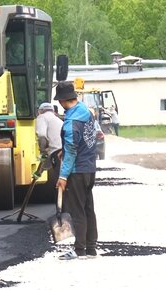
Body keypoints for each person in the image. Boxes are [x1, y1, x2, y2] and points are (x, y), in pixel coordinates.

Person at [54, 81, 98, 260]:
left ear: (63, 101)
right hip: (90, 168)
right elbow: (85, 140)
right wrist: (63, 150)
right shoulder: (86, 112)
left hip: (77, 171)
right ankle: (91, 248)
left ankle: (79, 250)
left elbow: (71, 151)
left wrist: (63, 176)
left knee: (76, 210)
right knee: (88, 208)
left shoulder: (71, 122)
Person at [35, 102, 63, 174]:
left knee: (59, 176)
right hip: (64, 150)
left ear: (40, 111)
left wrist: (42, 150)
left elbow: (41, 135)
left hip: (56, 152)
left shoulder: (42, 117)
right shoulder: (58, 120)